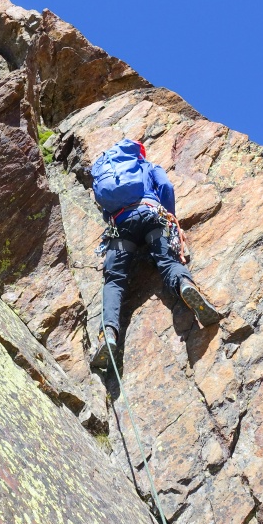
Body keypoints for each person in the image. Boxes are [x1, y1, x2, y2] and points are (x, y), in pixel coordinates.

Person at [90, 139, 222, 371]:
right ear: (140, 154)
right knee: (167, 261)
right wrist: (170, 217)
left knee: (114, 280)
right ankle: (184, 285)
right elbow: (166, 188)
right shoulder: (148, 166)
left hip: (121, 228)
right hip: (152, 217)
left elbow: (105, 209)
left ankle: (109, 333)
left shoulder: (108, 174)